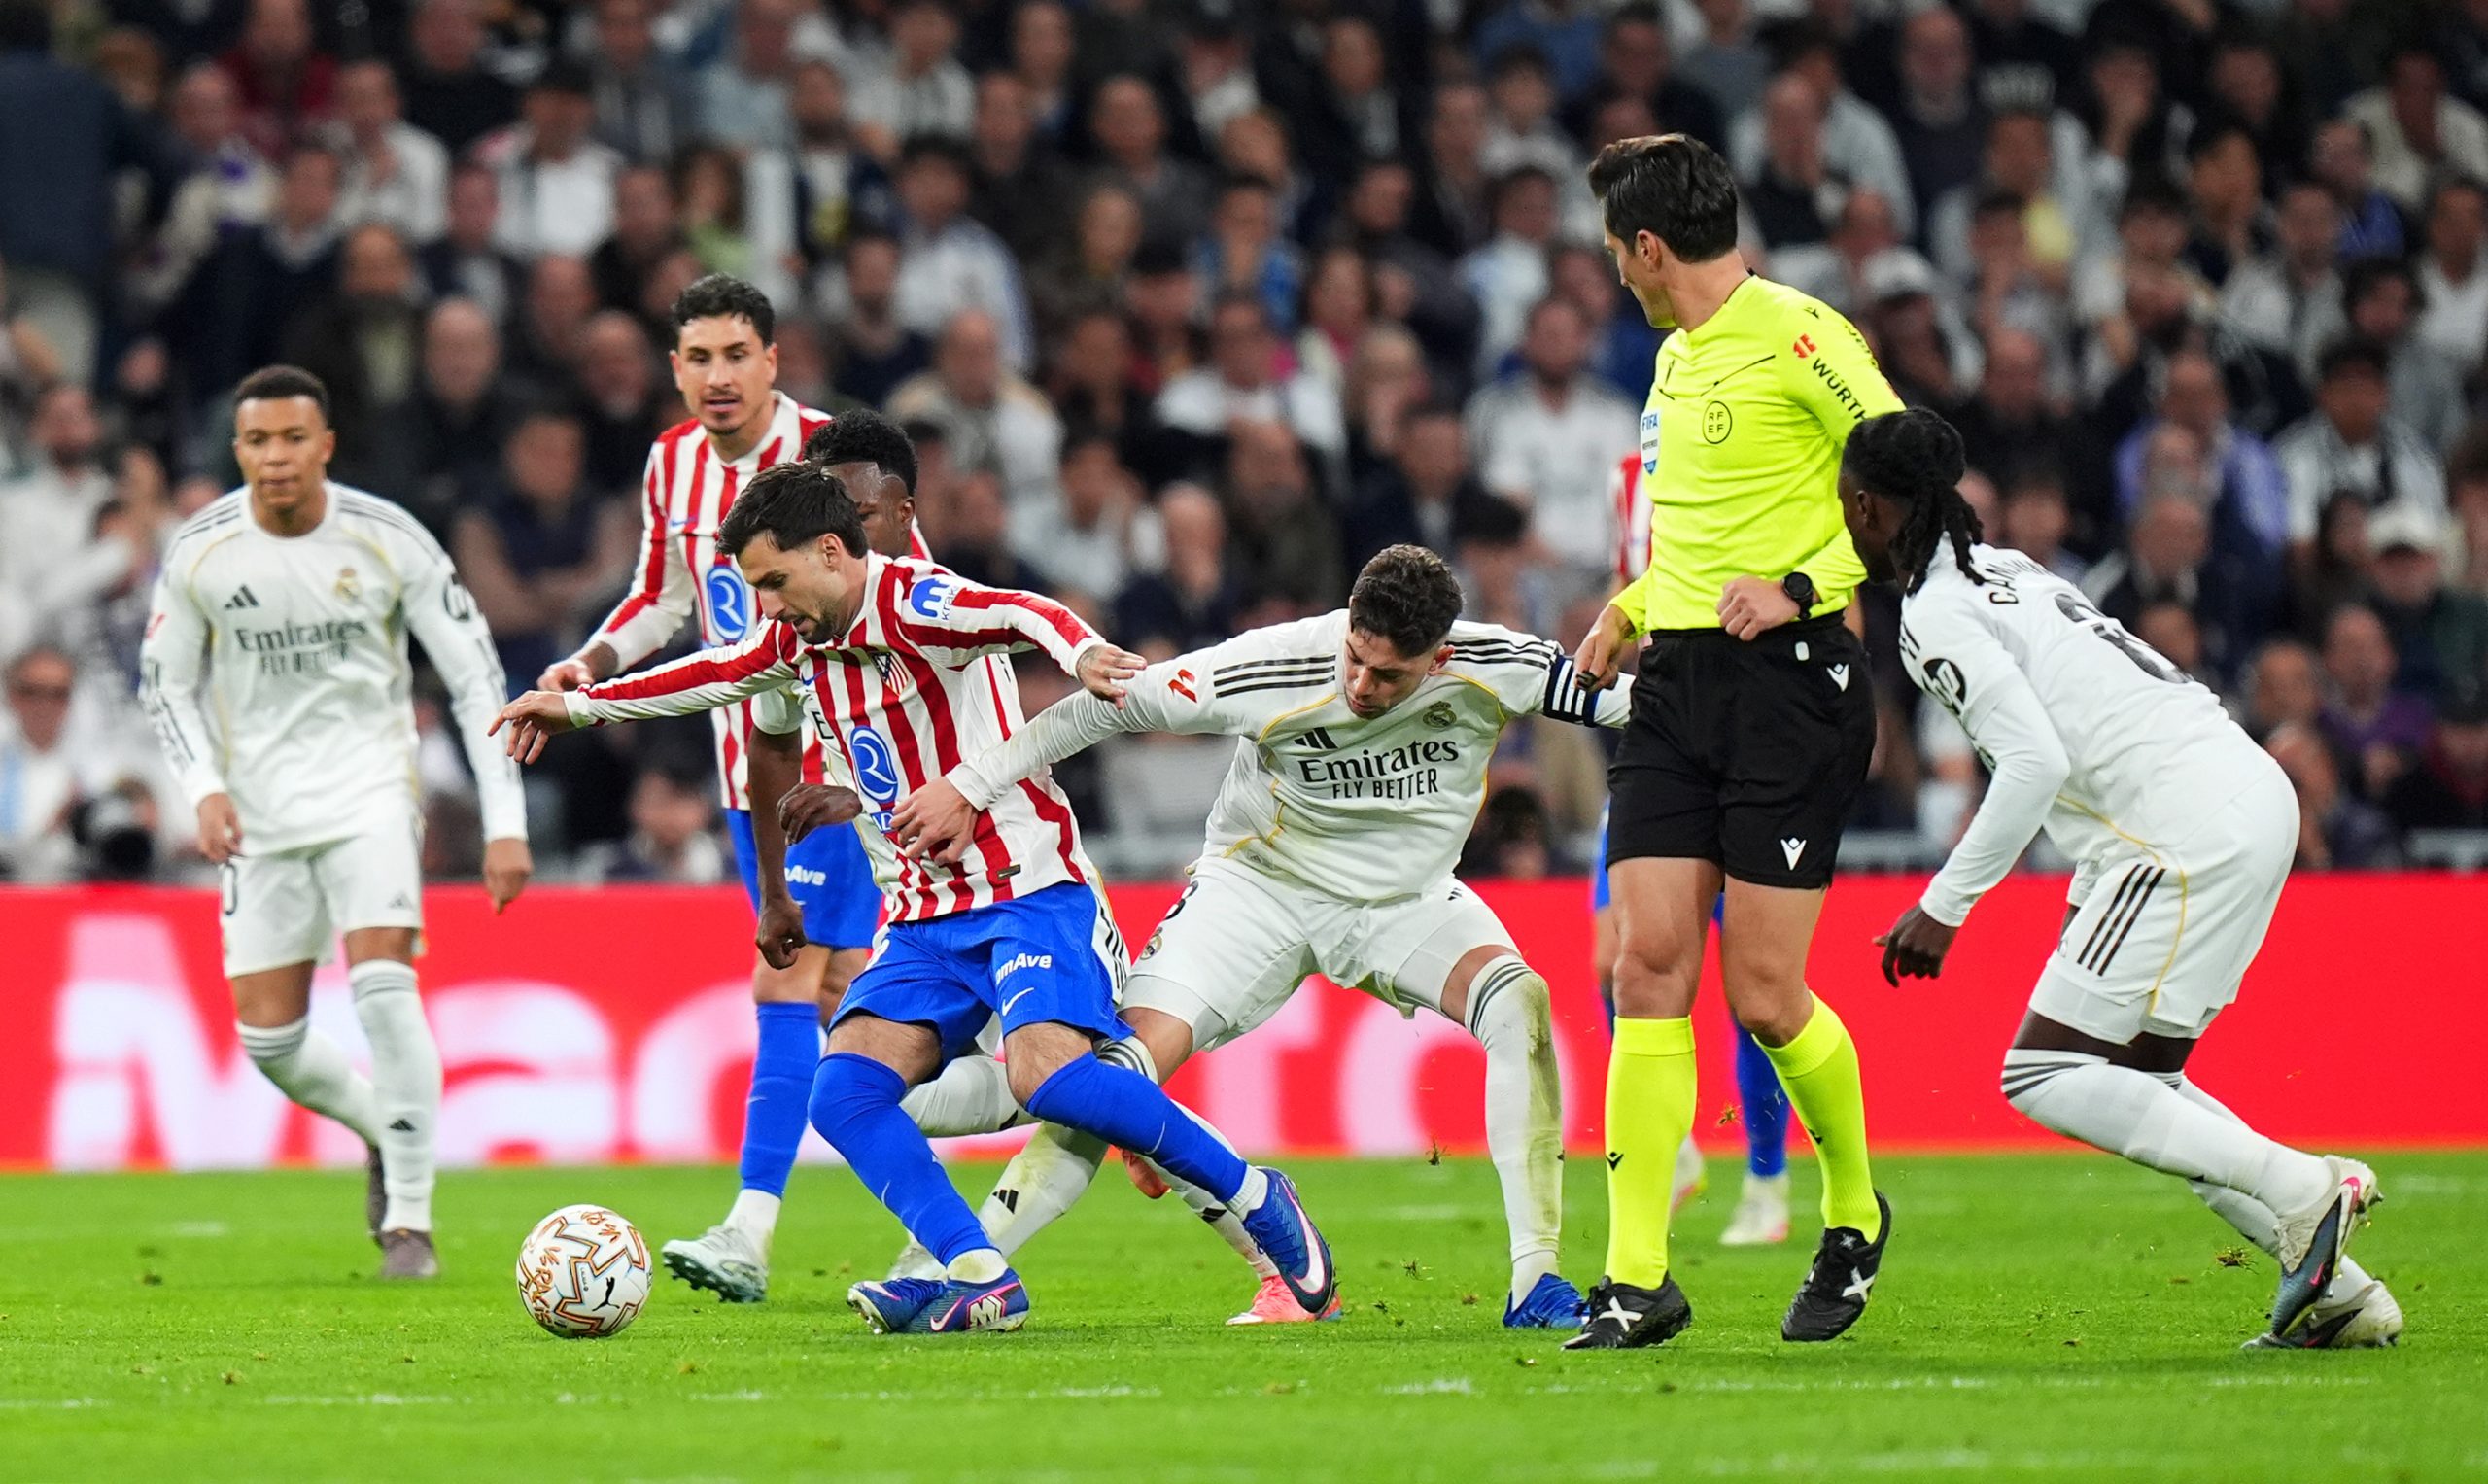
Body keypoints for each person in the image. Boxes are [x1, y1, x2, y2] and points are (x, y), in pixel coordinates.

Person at [490, 463, 1336, 1334]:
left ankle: (1258, 1195)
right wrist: (579, 706)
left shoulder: (917, 600)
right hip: (927, 916)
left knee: (1047, 1076)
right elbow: (710, 670)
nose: (768, 607)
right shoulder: (793, 641)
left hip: (1029, 891)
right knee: (842, 1090)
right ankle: (979, 1272)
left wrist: (1080, 651)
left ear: (830, 551)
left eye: (774, 582)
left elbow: (1022, 610)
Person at [891, 545, 1608, 1328]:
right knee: (1103, 1080)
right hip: (1255, 890)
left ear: (1439, 658)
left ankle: (1536, 1280)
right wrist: (968, 785)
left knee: (1520, 1003)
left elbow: (1644, 703)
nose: (1361, 685)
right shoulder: (1274, 665)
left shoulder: (1501, 663)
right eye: (1356, 658)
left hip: (1405, 901)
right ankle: (965, 1266)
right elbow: (1107, 706)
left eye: (1388, 676)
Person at [1848, 408, 2396, 1350]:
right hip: (2233, 787)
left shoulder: (1936, 614)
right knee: (2143, 1084)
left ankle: (2306, 1187)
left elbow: (2032, 766)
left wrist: (1943, 909)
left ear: (1863, 508)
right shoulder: (2007, 570)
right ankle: (2343, 1292)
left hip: (2178, 827)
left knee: (2044, 1071)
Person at [1565, 133, 1890, 1351]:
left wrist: (1806, 585)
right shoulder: (1674, 355)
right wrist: (1635, 604)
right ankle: (1635, 1280)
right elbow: (1700, 538)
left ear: (1649, 250)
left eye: (1615, 250)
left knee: (1762, 996)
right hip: (1677, 683)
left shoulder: (1804, 335)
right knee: (1644, 966)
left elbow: (1913, 484)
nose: (1612, 271)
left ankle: (1853, 1212)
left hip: (1791, 687)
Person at [137, 364, 532, 1282]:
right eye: (257, 442)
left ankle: (410, 1222)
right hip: (258, 813)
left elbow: (475, 676)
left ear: (325, 444)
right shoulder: (201, 551)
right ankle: (380, 1129)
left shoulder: (389, 538)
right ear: (238, 452)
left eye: (292, 439)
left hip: (369, 795)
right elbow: (167, 685)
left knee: (384, 988)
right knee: (269, 1040)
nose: (276, 458)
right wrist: (202, 787)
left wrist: (505, 819)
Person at [535, 275, 866, 1304]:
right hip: (745, 765)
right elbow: (661, 597)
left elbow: (905, 587)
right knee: (853, 995)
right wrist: (593, 660)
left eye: (737, 355)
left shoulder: (830, 456)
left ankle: (748, 1232)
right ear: (673, 369)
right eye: (699, 359)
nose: (718, 378)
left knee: (788, 981)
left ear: (774, 358)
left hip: (838, 763)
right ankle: (1059, 1124)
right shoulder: (670, 462)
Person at [1591, 450, 1794, 1247]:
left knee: (1755, 988)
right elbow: (1638, 593)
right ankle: (1673, 1148)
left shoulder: (1754, 471)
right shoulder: (1628, 476)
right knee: (1616, 960)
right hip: (1660, 728)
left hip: (1745, 740)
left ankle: (1769, 1181)